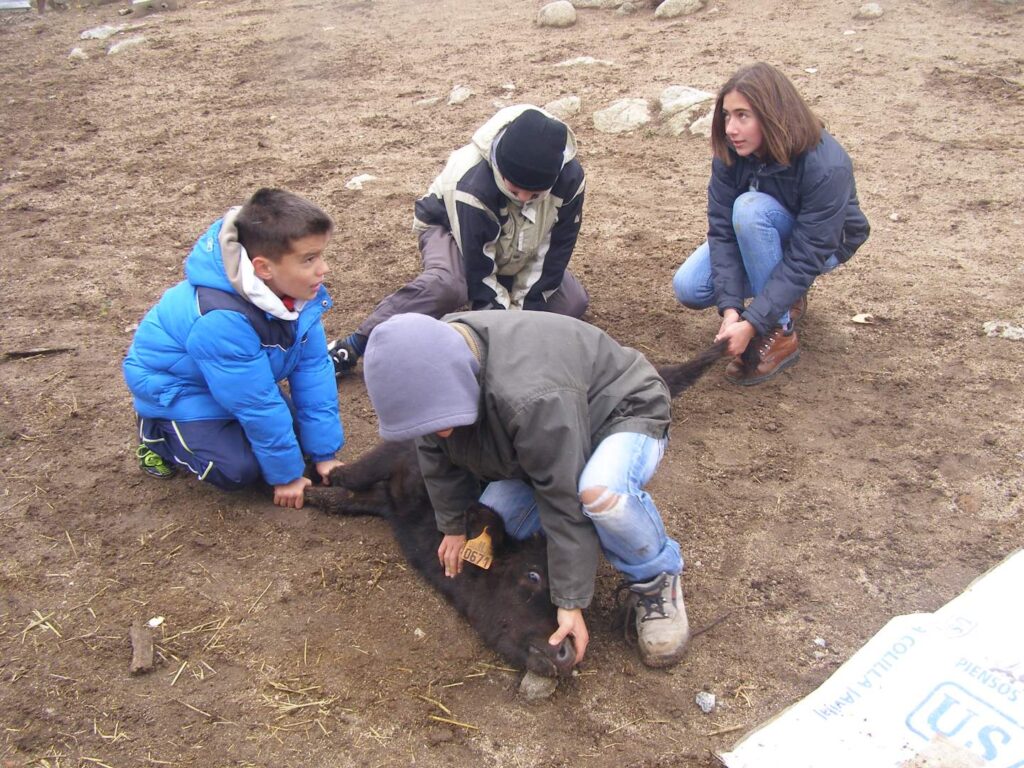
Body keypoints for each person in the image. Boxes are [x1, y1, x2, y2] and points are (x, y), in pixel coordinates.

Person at [361, 311, 690, 669]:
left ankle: (655, 580)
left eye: (442, 422)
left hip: (619, 413)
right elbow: (432, 449)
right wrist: (453, 524)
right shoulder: (437, 356)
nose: (438, 431)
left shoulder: (530, 397)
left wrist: (569, 602)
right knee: (503, 526)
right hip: (551, 433)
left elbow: (563, 499)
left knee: (597, 492)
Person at [123, 188, 345, 509]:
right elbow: (256, 404)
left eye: (321, 255)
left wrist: (325, 455)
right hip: (180, 390)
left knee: (300, 442)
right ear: (264, 268)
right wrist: (286, 477)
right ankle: (156, 435)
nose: (322, 269)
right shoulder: (220, 318)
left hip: (238, 380)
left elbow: (313, 373)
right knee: (238, 471)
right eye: (309, 259)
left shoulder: (301, 295)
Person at [328, 104, 589, 376]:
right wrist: (507, 335)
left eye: (534, 195)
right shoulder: (472, 183)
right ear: (500, 168)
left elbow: (555, 252)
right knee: (450, 286)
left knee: (571, 301)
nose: (523, 199)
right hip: (451, 231)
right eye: (514, 189)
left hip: (517, 247)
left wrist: (520, 321)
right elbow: (479, 269)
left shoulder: (570, 180)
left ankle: (470, 323)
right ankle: (355, 344)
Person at [673, 62, 870, 385]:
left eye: (743, 116)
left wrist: (754, 323)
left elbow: (808, 255)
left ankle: (780, 332)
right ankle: (783, 297)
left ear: (773, 114)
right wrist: (732, 310)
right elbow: (722, 232)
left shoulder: (826, 165)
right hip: (758, 233)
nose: (730, 128)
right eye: (726, 115)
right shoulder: (731, 152)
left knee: (751, 209)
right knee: (690, 287)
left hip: (824, 244)